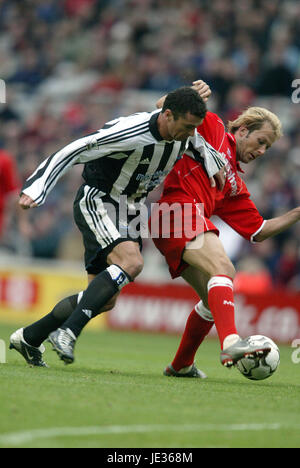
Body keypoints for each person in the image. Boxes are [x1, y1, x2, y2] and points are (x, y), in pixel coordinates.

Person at [10, 85, 226, 367]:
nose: (190, 132)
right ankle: (68, 333)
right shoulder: (131, 133)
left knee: (104, 299)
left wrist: (214, 164)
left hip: (130, 208)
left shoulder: (183, 129)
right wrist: (38, 188)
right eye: (187, 126)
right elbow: (74, 149)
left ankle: (29, 337)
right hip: (99, 199)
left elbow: (196, 140)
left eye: (194, 127)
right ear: (168, 116)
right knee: (132, 262)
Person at [149, 87, 300, 378]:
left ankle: (181, 365)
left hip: (174, 222)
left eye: (267, 148)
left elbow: (258, 231)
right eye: (260, 141)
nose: (261, 152)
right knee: (224, 268)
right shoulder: (214, 126)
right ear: (242, 130)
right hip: (176, 209)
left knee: (210, 298)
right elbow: (162, 107)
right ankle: (231, 341)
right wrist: (191, 90)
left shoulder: (234, 186)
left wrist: (296, 213)